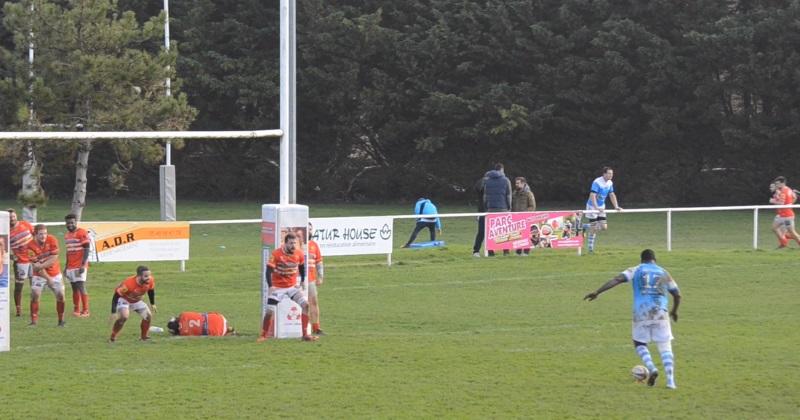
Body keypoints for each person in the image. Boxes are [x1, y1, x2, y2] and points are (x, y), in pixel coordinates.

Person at [584, 249, 681, 389]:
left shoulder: (636, 269)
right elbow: (677, 295)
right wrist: (674, 311)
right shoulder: (663, 272)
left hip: (641, 312)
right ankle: (671, 382)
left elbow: (617, 279)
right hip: (661, 312)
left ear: (642, 259)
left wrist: (597, 292)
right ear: (655, 259)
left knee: (639, 343)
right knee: (665, 345)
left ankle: (652, 368)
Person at [258, 232, 318, 342]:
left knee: (306, 306)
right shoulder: (276, 254)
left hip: (291, 287)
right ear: (285, 243)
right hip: (278, 287)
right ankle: (263, 335)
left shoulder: (299, 254)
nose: (293, 246)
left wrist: (303, 280)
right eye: (291, 243)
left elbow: (301, 267)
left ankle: (305, 335)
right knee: (269, 311)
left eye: (295, 243)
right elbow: (268, 271)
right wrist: (271, 286)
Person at [26, 224, 66, 326]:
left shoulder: (52, 239)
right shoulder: (30, 246)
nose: (43, 236)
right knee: (35, 294)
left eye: (45, 233)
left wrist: (41, 265)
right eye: (40, 234)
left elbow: (54, 259)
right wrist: (48, 278)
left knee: (61, 296)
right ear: (35, 234)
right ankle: (34, 321)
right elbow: (36, 266)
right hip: (39, 275)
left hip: (55, 273)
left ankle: (61, 320)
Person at [109, 265, 157, 342]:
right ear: (139, 276)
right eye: (146, 276)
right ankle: (113, 336)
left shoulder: (150, 280)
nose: (149, 277)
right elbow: (116, 296)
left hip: (136, 301)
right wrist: (113, 312)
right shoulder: (128, 284)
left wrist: (152, 303)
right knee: (124, 317)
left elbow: (151, 290)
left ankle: (143, 337)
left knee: (148, 317)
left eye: (149, 275)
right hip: (124, 300)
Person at [584, 167, 623, 253]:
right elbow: (592, 195)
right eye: (609, 173)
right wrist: (596, 207)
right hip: (592, 207)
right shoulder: (597, 182)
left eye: (612, 174)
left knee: (604, 227)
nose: (611, 175)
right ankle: (590, 248)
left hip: (602, 206)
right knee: (594, 228)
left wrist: (616, 206)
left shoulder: (610, 183)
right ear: (604, 174)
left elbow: (612, 194)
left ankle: (586, 226)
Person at [8, 208, 34, 317]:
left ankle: (34, 309)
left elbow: (36, 236)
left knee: (35, 285)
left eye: (13, 216)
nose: (12, 219)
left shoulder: (25, 224)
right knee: (19, 286)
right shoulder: (5, 231)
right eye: (10, 217)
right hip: (20, 262)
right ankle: (18, 309)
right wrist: (10, 256)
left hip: (33, 260)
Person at [64, 214, 91, 317]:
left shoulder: (82, 232)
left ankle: (86, 310)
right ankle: (76, 309)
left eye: (72, 222)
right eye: (68, 223)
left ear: (76, 222)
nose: (70, 224)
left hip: (79, 265)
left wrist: (83, 265)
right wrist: (66, 266)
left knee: (81, 286)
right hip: (71, 265)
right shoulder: (67, 235)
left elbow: (87, 248)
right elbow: (68, 251)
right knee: (74, 287)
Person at [483, 163, 512, 256]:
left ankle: (491, 251)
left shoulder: (487, 181)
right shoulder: (506, 180)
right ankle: (505, 251)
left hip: (491, 208)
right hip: (503, 208)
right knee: (505, 230)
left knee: (491, 231)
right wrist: (509, 207)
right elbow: (508, 195)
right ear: (502, 169)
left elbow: (485, 196)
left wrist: (486, 206)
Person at [769, 176, 799, 248]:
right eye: (776, 184)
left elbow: (781, 203)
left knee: (792, 233)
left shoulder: (783, 191)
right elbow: (794, 197)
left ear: (783, 183)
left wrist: (772, 201)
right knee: (774, 228)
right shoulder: (789, 189)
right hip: (782, 215)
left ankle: (786, 242)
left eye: (778, 183)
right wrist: (790, 204)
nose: (777, 185)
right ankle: (783, 243)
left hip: (787, 216)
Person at [307, 223, 326, 335]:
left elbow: (319, 262)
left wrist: (320, 276)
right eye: (307, 229)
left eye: (310, 229)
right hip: (298, 279)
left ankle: (316, 327)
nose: (309, 231)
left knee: (313, 302)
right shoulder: (297, 244)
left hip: (311, 279)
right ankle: (303, 327)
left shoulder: (314, 245)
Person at [511, 177, 537, 255]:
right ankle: (518, 251)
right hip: (516, 217)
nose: (516, 185)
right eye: (516, 183)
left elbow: (532, 206)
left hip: (525, 218)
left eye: (518, 183)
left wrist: (525, 214)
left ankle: (526, 251)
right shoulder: (514, 193)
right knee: (517, 235)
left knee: (526, 235)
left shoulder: (528, 193)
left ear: (523, 183)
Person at [166, 312, 235, 336]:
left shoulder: (183, 332)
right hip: (218, 322)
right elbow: (209, 313)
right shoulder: (184, 315)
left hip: (217, 330)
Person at [472, 174, 488, 257]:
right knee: (481, 232)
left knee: (482, 232)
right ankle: (476, 250)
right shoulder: (482, 184)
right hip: (483, 211)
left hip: (485, 211)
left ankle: (477, 251)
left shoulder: (480, 183)